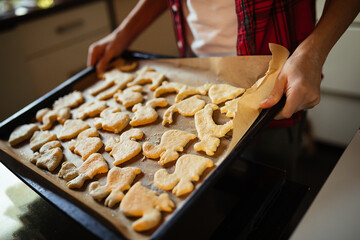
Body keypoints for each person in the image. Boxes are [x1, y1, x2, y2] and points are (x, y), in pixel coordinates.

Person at [87, 0, 360, 177]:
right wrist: (123, 33)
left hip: (271, 79)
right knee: (215, 190)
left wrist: (312, 54)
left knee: (268, 184)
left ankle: (300, 141)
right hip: (195, 74)